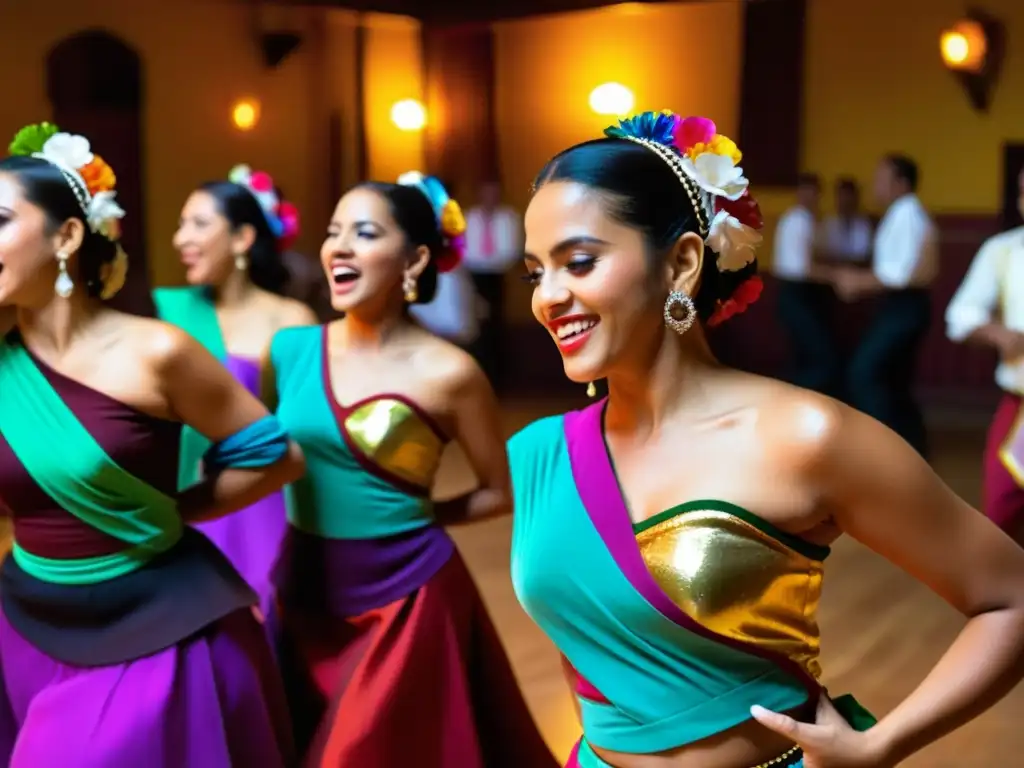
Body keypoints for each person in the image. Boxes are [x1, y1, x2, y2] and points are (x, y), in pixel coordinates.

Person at [508, 110, 1024, 768]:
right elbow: (588, 640)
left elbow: (1011, 598)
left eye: (579, 262)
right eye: (535, 273)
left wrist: (881, 745)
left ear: (682, 263)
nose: (548, 298)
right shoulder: (539, 454)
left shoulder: (805, 436)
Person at [0, 124, 303, 763]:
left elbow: (276, 456)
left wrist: (172, 511)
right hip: (25, 621)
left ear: (67, 236)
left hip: (155, 623)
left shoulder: (157, 351)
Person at [264, 171, 557, 766]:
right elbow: (268, 459)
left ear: (416, 259)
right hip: (303, 590)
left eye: (364, 233)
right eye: (333, 232)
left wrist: (411, 520)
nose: (339, 247)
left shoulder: (450, 373)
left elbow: (497, 492)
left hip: (404, 597)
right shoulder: (290, 349)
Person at [159, 164, 317, 618]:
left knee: (267, 614)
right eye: (181, 225)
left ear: (243, 238)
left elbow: (309, 432)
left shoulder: (292, 321)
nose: (181, 239)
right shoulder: (164, 312)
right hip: (187, 498)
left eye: (199, 224)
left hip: (265, 504)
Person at [829, 155, 937, 457]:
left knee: (865, 372)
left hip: (905, 306)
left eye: (881, 179)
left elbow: (901, 274)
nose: (875, 185)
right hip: (902, 305)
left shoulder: (907, 215)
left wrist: (859, 282)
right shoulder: (902, 213)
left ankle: (885, 449)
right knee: (893, 379)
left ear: (900, 182)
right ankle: (910, 448)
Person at [946, 166, 1024, 539]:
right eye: (1023, 192)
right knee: (1000, 511)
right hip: (1020, 407)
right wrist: (998, 333)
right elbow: (961, 314)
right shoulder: (1004, 251)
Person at [771, 173, 841, 397]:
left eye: (814, 192)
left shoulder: (803, 220)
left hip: (798, 294)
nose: (811, 196)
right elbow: (805, 268)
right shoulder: (799, 220)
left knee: (804, 354)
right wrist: (838, 277)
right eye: (806, 191)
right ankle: (792, 399)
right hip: (796, 293)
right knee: (822, 358)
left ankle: (794, 399)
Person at [462, 180, 523, 388]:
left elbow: (512, 250)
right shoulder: (468, 218)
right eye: (486, 193)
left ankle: (498, 372)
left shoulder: (509, 217)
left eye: (494, 194)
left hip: (498, 275)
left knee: (495, 322)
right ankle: (479, 367)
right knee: (474, 321)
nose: (490, 198)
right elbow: (463, 249)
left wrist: (495, 262)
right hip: (473, 275)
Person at [819, 178, 872, 266]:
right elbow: (824, 255)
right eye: (841, 198)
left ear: (855, 200)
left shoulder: (864, 225)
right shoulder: (828, 224)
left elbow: (863, 255)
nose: (844, 202)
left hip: (857, 269)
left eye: (848, 198)